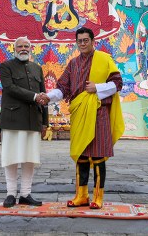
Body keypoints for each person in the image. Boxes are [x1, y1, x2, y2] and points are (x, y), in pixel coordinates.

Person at [42, 27, 124, 209]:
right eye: (79, 41)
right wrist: (48, 96)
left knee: (98, 157)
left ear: (93, 42)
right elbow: (63, 88)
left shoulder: (104, 59)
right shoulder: (73, 64)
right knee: (81, 157)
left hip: (99, 113)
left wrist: (98, 88)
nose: (83, 44)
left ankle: (98, 197)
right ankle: (81, 195)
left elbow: (118, 83)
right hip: (80, 114)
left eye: (86, 40)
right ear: (76, 43)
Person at [0, 37, 48, 208]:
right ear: (14, 48)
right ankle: (10, 193)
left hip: (33, 119)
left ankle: (26, 193)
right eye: (20, 46)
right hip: (12, 119)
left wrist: (45, 122)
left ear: (31, 48)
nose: (23, 49)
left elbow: (44, 95)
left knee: (30, 158)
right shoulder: (6, 66)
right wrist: (34, 97)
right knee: (11, 157)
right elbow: (10, 88)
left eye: (27, 46)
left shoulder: (37, 68)